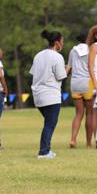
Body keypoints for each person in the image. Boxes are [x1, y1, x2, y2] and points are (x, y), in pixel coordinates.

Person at [30, 30, 67, 159]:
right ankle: (44, 151)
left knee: (48, 123)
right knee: (50, 124)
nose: (62, 44)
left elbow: (34, 73)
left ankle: (47, 149)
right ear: (57, 43)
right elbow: (60, 76)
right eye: (62, 42)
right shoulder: (57, 56)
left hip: (38, 95)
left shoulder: (38, 55)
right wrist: (68, 68)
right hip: (51, 95)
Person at [67, 33, 94, 148]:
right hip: (87, 82)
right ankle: (88, 143)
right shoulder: (91, 50)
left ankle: (73, 139)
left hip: (75, 82)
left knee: (78, 113)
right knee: (90, 114)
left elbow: (69, 66)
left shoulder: (73, 51)